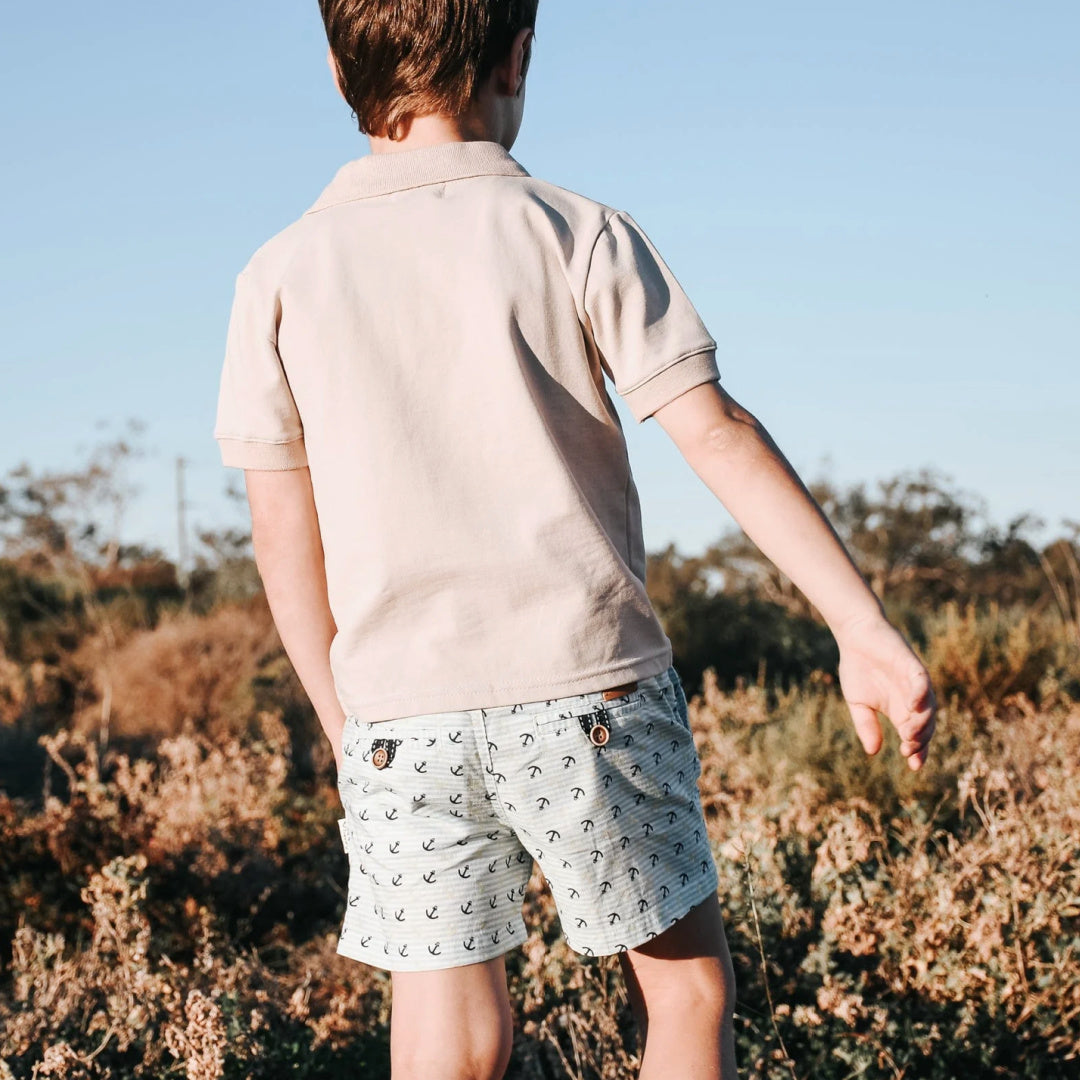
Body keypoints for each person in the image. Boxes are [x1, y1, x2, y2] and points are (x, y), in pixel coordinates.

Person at [212, 2, 937, 1077]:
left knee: (451, 1041)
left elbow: (283, 538)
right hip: (589, 688)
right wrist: (858, 623)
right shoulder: (574, 229)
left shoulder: (277, 274)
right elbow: (719, 435)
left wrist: (345, 720)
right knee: (686, 996)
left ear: (335, 70)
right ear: (518, 56)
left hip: (398, 719)